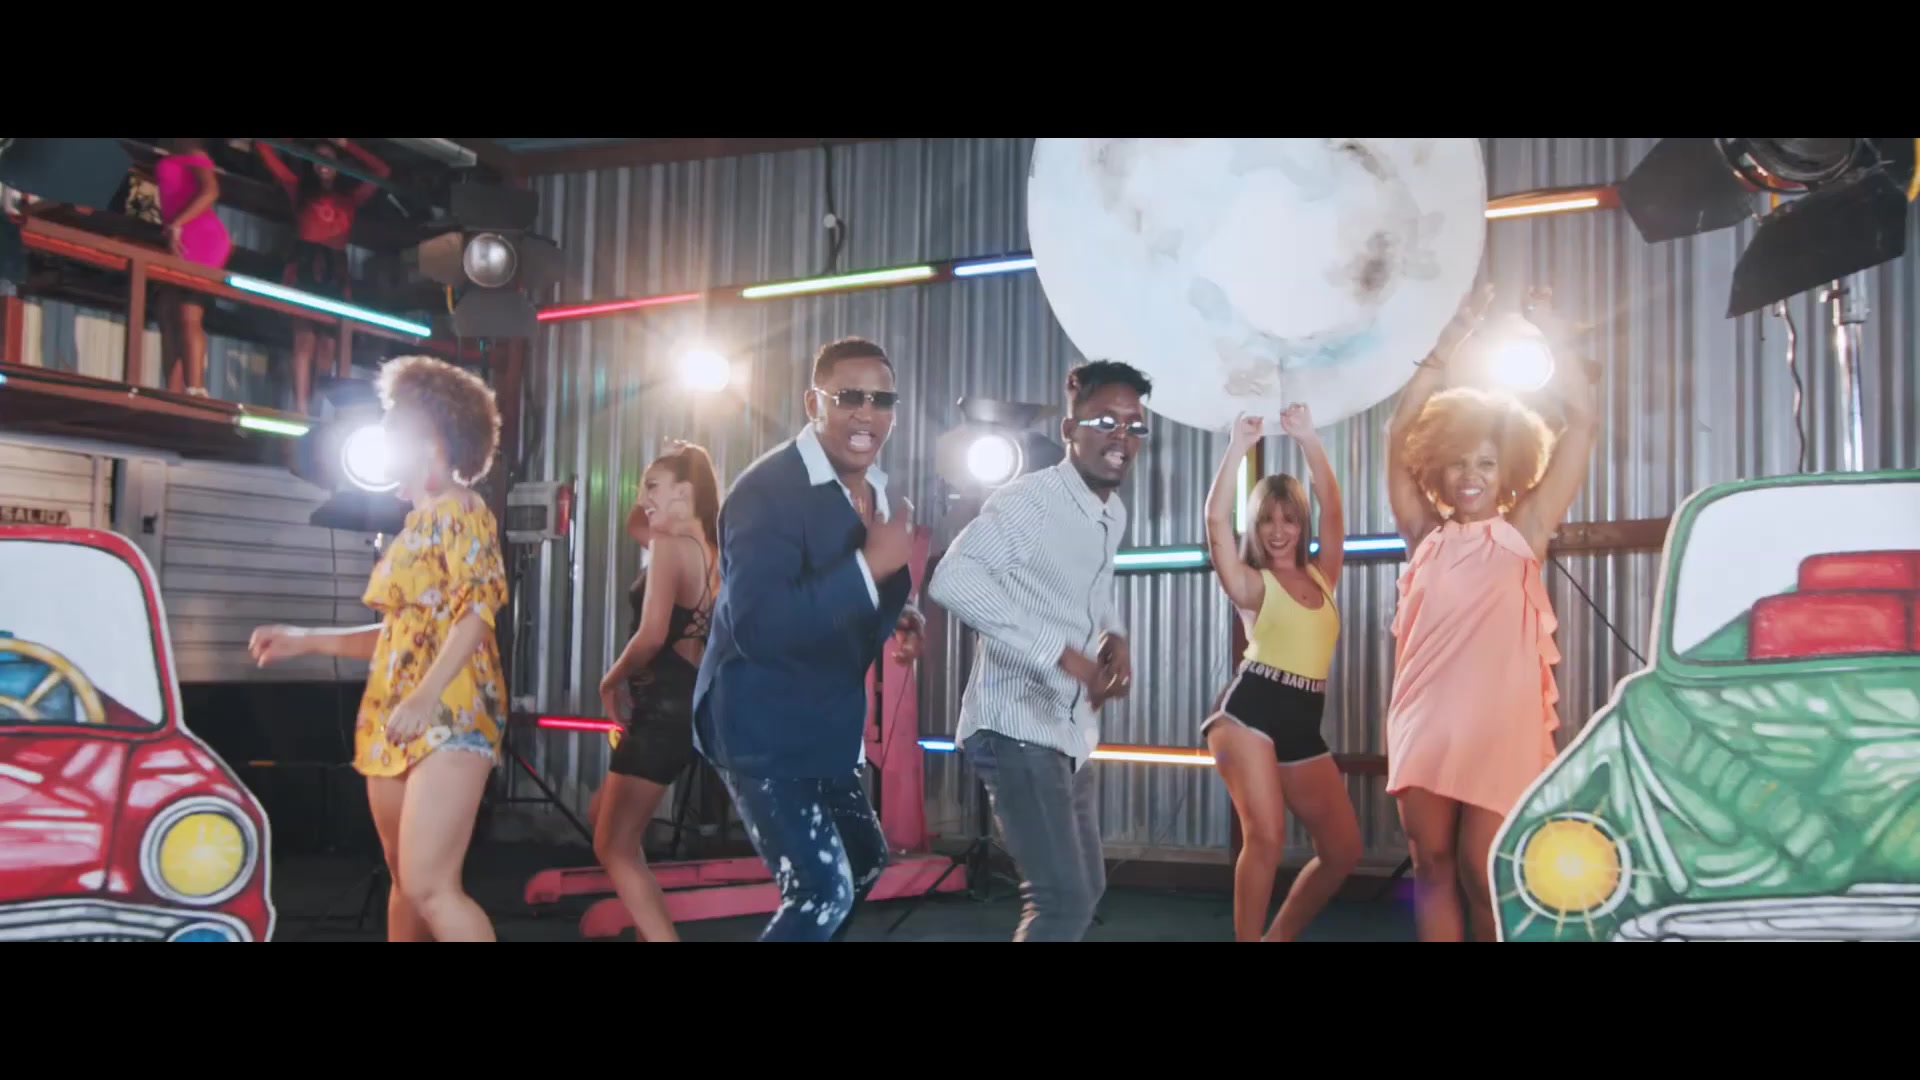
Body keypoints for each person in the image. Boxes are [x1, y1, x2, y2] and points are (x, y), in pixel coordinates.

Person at [248, 355, 508, 942]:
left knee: (431, 886)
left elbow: (476, 613)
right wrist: (304, 640)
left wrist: (425, 695)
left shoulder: (462, 510)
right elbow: (399, 638)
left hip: (449, 712)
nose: (385, 433)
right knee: (404, 884)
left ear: (433, 437)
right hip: (394, 714)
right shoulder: (417, 522)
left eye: (395, 423)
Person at [692, 337, 925, 942]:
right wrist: (868, 570)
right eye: (848, 397)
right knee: (822, 892)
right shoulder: (765, 493)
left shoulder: (878, 487)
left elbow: (865, 583)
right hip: (761, 727)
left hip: (824, 724)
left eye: (881, 400)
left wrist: (900, 611)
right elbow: (758, 626)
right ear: (812, 403)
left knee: (864, 862)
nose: (866, 413)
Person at [1383, 286, 1598, 942]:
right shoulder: (1424, 533)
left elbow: (1584, 423)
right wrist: (1447, 346)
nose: (1470, 475)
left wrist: (1554, 333)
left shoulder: (1524, 530)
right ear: (1437, 469)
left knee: (1485, 871)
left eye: (1484, 462)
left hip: (1500, 726)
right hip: (1425, 718)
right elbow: (1396, 433)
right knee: (1432, 864)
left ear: (1508, 470)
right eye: (1457, 462)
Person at [927, 360, 1150, 942]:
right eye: (1105, 420)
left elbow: (1093, 587)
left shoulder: (1112, 512)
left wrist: (1114, 635)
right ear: (1071, 428)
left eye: (1134, 424)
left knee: (1085, 891)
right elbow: (952, 579)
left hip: (1067, 732)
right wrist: (1062, 654)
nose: (1122, 435)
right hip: (1014, 727)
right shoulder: (1030, 500)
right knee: (1062, 903)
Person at [1200, 404, 1363, 942]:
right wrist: (1236, 447)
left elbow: (1333, 506)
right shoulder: (1252, 583)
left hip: (1302, 719)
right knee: (1265, 839)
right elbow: (1215, 522)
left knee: (1342, 851)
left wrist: (1308, 437)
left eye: (1288, 518)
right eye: (1266, 519)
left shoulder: (1323, 576)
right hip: (1248, 714)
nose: (1277, 531)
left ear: (1301, 524)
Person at [592, 440, 722, 943]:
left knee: (613, 846)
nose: (643, 497)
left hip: (662, 707)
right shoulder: (712, 549)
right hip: (687, 704)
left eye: (652, 487)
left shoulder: (669, 546)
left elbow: (650, 635)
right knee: (605, 821)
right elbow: (635, 524)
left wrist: (610, 679)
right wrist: (668, 470)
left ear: (685, 492)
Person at [255, 137, 391, 414]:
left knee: (328, 345)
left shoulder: (350, 197)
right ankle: (301, 410)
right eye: (316, 159)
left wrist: (347, 144)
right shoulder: (299, 188)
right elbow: (263, 146)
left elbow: (382, 171)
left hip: (336, 270)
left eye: (328, 158)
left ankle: (317, 411)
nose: (322, 164)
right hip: (305, 264)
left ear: (339, 165)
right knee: (304, 340)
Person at [153, 138, 231, 398]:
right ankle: (173, 391)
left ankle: (195, 389)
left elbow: (210, 191)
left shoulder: (195, 153)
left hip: (200, 237)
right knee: (167, 312)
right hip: (179, 238)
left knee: (188, 313)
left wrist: (177, 223)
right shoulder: (173, 150)